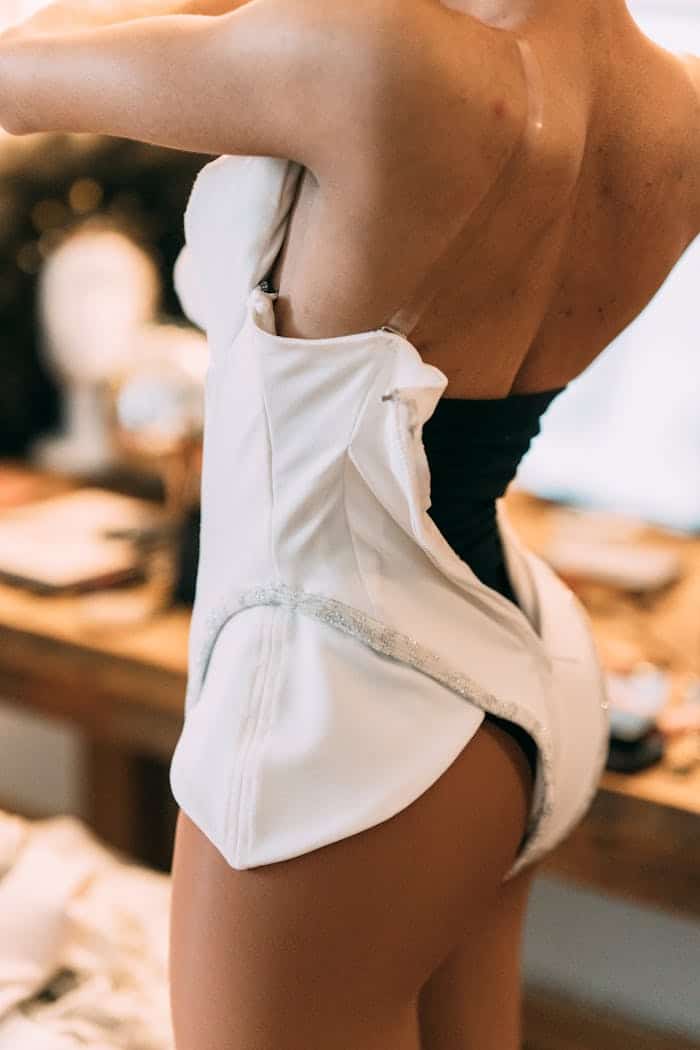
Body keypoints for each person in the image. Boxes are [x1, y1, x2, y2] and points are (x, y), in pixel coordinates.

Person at [1, 2, 697, 1047]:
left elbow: (20, 67)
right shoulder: (673, 102)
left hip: (336, 692)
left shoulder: (369, 52)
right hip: (525, 663)